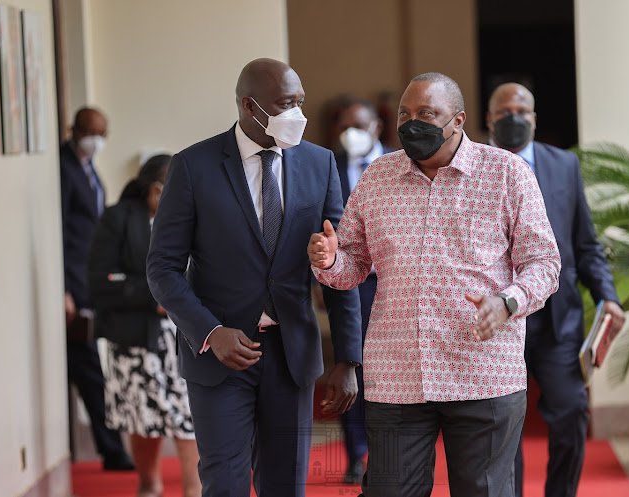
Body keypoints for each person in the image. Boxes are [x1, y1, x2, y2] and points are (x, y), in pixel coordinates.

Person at [308, 72, 561, 497]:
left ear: (458, 120)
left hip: (483, 374)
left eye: (427, 114)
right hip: (397, 376)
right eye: (405, 114)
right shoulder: (377, 178)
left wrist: (507, 302)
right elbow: (352, 265)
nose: (412, 123)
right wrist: (331, 260)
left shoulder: (507, 174)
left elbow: (543, 263)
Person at [146, 58, 362, 497]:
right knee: (224, 483)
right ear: (250, 106)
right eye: (286, 104)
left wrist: (347, 358)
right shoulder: (193, 167)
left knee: (285, 485)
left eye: (300, 102)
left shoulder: (319, 164)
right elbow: (162, 268)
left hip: (292, 355)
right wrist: (209, 331)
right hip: (221, 358)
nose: (297, 114)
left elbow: (340, 264)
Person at [486, 82, 626, 497]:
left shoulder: (564, 165)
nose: (514, 117)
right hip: (498, 322)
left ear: (534, 118)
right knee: (504, 425)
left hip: (557, 322)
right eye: (504, 111)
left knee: (571, 411)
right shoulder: (474, 166)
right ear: (489, 119)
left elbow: (585, 244)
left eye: (522, 111)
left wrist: (608, 296)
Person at [87, 154, 201, 497]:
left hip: (186, 336)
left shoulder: (192, 218)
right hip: (135, 336)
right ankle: (149, 485)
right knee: (142, 419)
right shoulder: (117, 218)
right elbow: (100, 282)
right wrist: (155, 298)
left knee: (189, 415)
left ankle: (195, 490)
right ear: (155, 190)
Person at [60, 107, 134, 471]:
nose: (97, 139)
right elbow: (59, 231)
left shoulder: (89, 167)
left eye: (103, 132)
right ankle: (112, 449)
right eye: (90, 131)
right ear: (74, 129)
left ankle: (110, 448)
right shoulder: (62, 166)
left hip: (90, 280)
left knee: (85, 364)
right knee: (88, 365)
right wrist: (64, 290)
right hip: (71, 285)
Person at [333, 98, 396, 483]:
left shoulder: (400, 163)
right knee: (350, 367)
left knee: (388, 372)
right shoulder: (330, 167)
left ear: (376, 127)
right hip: (348, 287)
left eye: (358, 125)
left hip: (390, 284)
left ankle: (388, 455)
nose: (350, 134)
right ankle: (356, 454)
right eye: (344, 126)